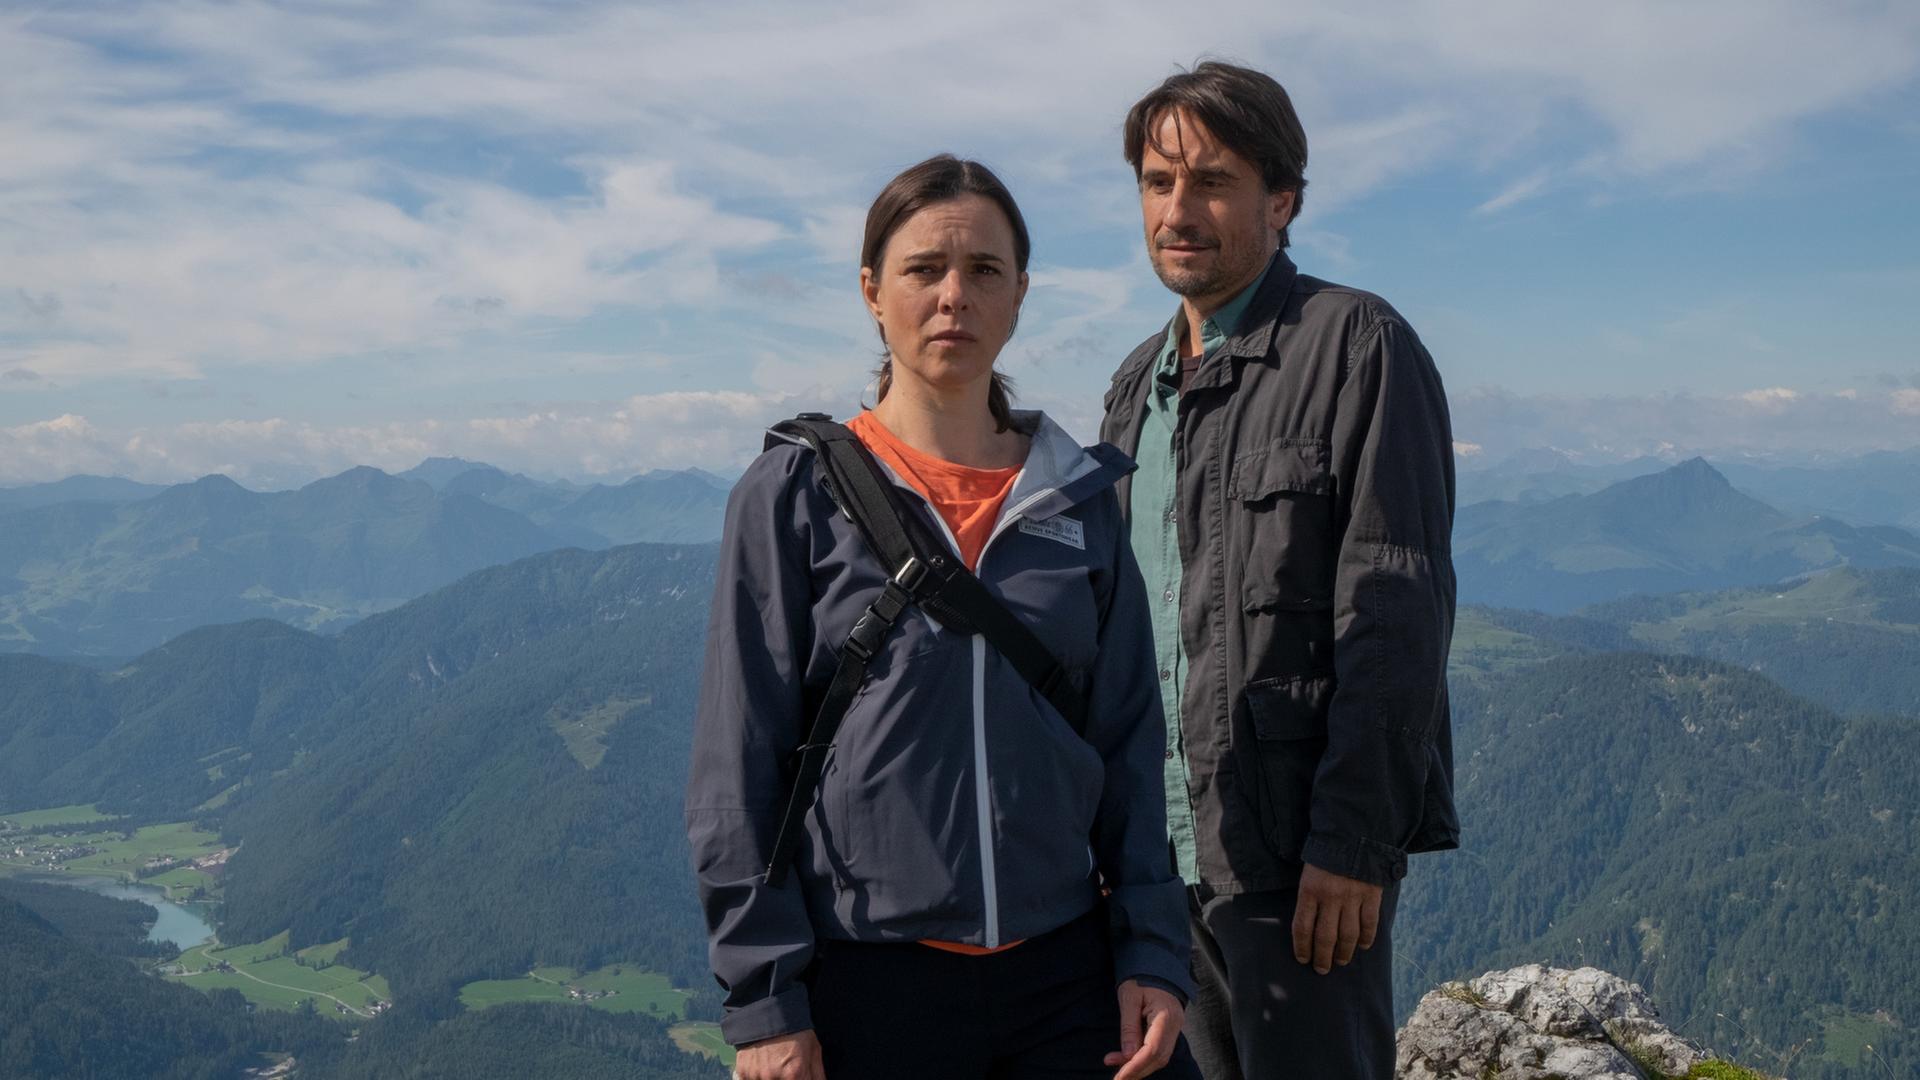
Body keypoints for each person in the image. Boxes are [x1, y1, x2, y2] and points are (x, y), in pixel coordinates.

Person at [687, 154, 1200, 1080]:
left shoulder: (1078, 501)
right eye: (925, 269)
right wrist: (765, 1001)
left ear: (1020, 298)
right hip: (866, 982)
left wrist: (1151, 952)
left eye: (985, 271)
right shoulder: (794, 495)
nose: (954, 295)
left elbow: (1129, 743)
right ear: (872, 291)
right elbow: (739, 765)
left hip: (1067, 975)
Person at [1098, 62, 1460, 1079]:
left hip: (1293, 862)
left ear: (1282, 200)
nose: (1180, 209)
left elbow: (1395, 609)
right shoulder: (1136, 387)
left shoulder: (1356, 346)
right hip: (1154, 867)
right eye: (1158, 183)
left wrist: (1354, 844)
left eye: (1211, 181)